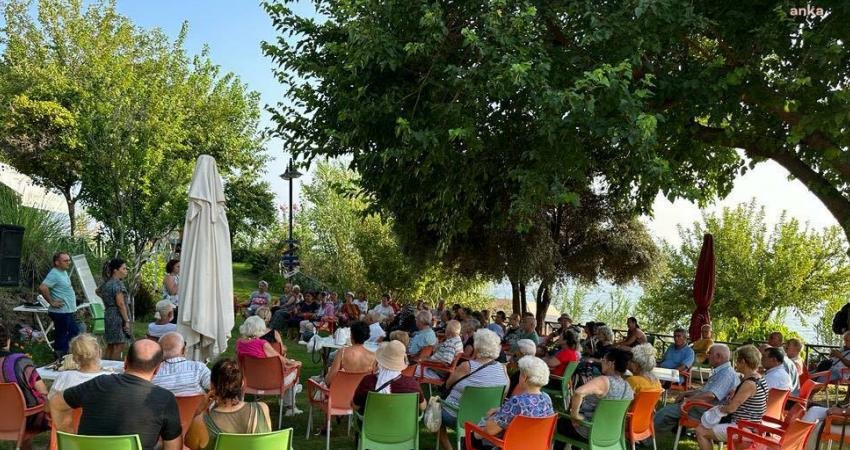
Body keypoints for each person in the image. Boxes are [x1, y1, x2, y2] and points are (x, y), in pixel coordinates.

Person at [50, 339, 182, 450]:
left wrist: (69, 435)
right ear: (158, 369)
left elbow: (55, 403)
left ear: (125, 362)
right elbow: (173, 447)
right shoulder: (164, 398)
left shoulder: (99, 383)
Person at [439, 329, 509, 450]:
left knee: (435, 412)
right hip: (487, 417)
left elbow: (448, 385)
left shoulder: (467, 366)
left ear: (477, 347)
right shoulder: (502, 369)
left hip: (459, 416)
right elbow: (504, 393)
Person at [468, 356, 555, 449]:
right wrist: (500, 410)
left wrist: (490, 418)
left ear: (525, 378)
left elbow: (490, 430)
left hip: (509, 446)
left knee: (473, 435)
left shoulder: (517, 401)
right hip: (533, 446)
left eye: (520, 374)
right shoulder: (547, 399)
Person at [185, 358, 272, 450]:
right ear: (242, 384)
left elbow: (190, 444)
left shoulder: (200, 422)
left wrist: (199, 411)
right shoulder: (262, 409)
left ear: (212, 386)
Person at [555, 348, 634, 447]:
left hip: (589, 431)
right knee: (566, 424)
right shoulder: (628, 388)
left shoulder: (604, 381)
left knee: (556, 424)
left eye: (604, 360)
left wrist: (575, 416)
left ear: (611, 364)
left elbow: (578, 393)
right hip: (611, 433)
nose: (601, 362)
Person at [653, 344, 740, 435]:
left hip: (707, 411)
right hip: (704, 408)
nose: (707, 356)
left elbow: (709, 395)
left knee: (664, 412)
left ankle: (645, 440)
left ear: (718, 357)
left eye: (709, 353)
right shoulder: (723, 371)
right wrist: (685, 394)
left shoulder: (726, 374)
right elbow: (704, 391)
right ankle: (676, 430)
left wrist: (688, 401)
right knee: (672, 411)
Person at [694, 345, 768, 450]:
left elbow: (731, 408)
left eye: (737, 360)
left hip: (743, 429)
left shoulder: (749, 383)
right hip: (752, 426)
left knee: (700, 431)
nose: (735, 363)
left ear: (743, 361)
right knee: (705, 428)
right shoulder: (759, 378)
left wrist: (718, 408)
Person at [235, 316, 302, 415]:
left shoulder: (239, 343)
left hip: (249, 380)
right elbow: (282, 360)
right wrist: (296, 363)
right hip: (272, 382)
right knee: (295, 370)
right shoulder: (263, 344)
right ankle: (290, 406)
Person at [0, 323, 49, 447]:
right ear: (8, 341)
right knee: (57, 407)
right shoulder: (20, 362)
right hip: (25, 419)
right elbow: (43, 391)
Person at [352, 340, 425, 414]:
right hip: (403, 424)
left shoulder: (367, 381)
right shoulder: (412, 384)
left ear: (380, 361)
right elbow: (423, 407)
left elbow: (355, 406)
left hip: (371, 423)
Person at [38, 251, 79, 358]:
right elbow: (43, 287)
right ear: (57, 262)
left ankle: (65, 357)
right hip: (61, 312)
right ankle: (60, 359)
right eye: (65, 260)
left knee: (73, 332)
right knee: (64, 335)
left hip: (66, 311)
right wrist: (51, 302)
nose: (68, 262)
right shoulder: (54, 273)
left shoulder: (63, 272)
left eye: (68, 260)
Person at [48, 333, 104, 399]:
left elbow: (49, 406)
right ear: (99, 352)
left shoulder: (63, 378)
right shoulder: (111, 379)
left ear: (74, 358)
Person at [98, 258, 132, 360]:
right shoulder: (117, 284)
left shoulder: (106, 283)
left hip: (109, 313)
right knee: (118, 345)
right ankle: (112, 370)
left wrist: (107, 301)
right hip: (117, 315)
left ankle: (105, 367)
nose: (126, 271)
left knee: (111, 344)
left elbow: (97, 291)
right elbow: (120, 304)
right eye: (124, 268)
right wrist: (126, 320)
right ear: (115, 270)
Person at [326, 321, 377, 386]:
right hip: (362, 393)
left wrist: (326, 377)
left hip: (342, 392)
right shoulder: (373, 356)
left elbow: (329, 380)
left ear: (351, 335)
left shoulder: (342, 353)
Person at [162, 259, 180, 323]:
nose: (180, 268)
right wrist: (181, 280)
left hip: (177, 306)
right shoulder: (169, 277)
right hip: (170, 307)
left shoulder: (178, 277)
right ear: (172, 267)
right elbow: (172, 292)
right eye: (178, 266)